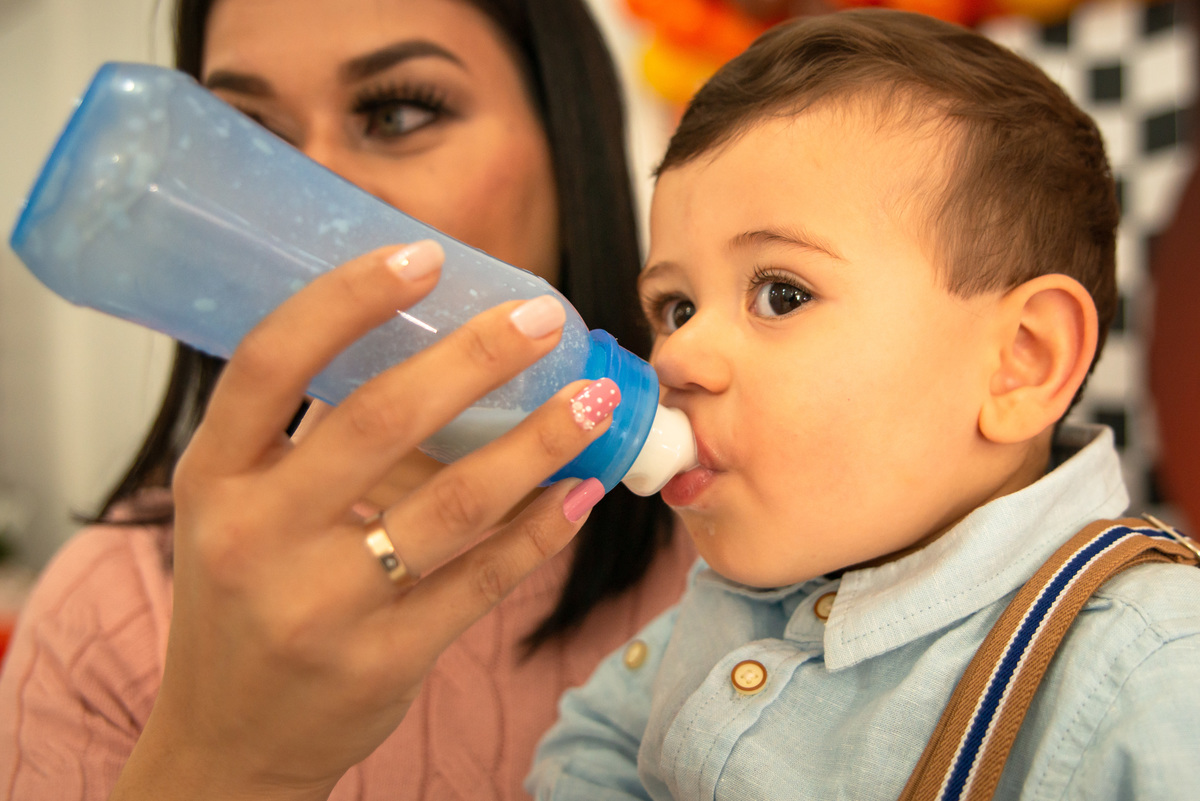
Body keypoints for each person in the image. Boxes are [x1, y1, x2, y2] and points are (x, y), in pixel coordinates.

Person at [0, 0, 696, 799]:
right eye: (250, 138)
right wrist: (221, 757)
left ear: (570, 149)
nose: (311, 190)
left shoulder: (747, 552)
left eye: (398, 113)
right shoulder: (104, 617)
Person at [527, 9, 1200, 799]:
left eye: (781, 294)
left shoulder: (1156, 669)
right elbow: (589, 755)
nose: (671, 357)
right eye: (676, 308)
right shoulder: (728, 613)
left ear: (1022, 361)